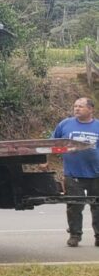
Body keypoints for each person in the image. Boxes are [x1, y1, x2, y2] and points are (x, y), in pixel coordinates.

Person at [51, 97, 99, 247]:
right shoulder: (65, 124)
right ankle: (75, 235)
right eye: (75, 106)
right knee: (74, 205)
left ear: (90, 109)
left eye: (81, 106)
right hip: (73, 173)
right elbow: (52, 143)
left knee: (97, 206)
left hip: (96, 174)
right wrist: (46, 160)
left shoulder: (97, 126)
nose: (77, 109)